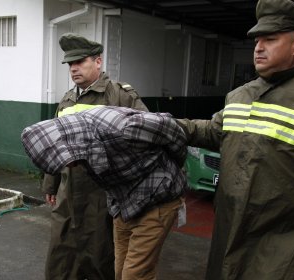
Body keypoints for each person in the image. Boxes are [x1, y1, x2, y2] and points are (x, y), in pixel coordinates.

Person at [176, 0, 294, 279]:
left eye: (270, 39)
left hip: (284, 244)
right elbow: (213, 132)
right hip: (230, 233)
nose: (259, 47)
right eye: (257, 40)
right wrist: (159, 124)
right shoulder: (240, 95)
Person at [23, 106, 187, 280]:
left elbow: (171, 130)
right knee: (119, 270)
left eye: (65, 159)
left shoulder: (123, 128)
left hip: (158, 198)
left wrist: (173, 167)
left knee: (135, 274)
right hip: (123, 204)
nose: (68, 166)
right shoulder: (77, 137)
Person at [42, 33, 148, 280]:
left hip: (104, 198)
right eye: (70, 64)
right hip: (67, 197)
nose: (74, 68)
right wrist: (51, 182)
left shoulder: (121, 96)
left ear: (98, 62)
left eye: (80, 61)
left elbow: (148, 138)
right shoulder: (67, 100)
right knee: (62, 260)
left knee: (102, 260)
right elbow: (56, 144)